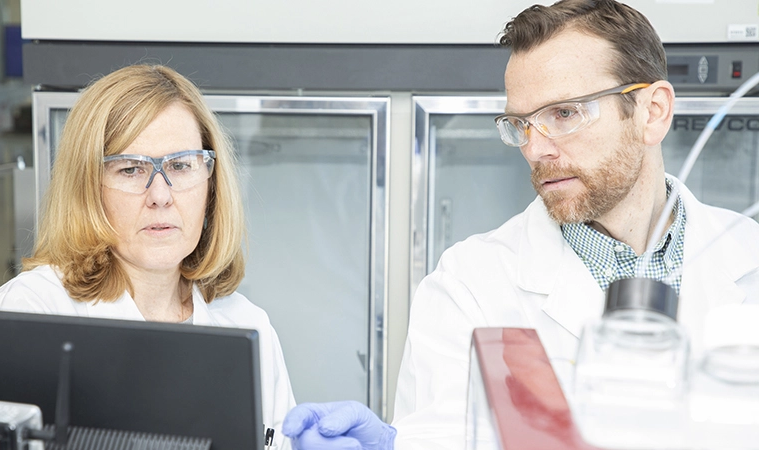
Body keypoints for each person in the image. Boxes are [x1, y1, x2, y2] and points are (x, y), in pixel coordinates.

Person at [281, 0, 759, 448]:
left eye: (565, 113)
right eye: (521, 124)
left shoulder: (749, 257)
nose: (536, 148)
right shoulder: (468, 286)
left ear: (652, 112)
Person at [0, 64, 296, 448]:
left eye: (180, 165)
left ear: (211, 183)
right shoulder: (28, 313)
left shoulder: (248, 326)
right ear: (88, 189)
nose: (160, 195)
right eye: (130, 169)